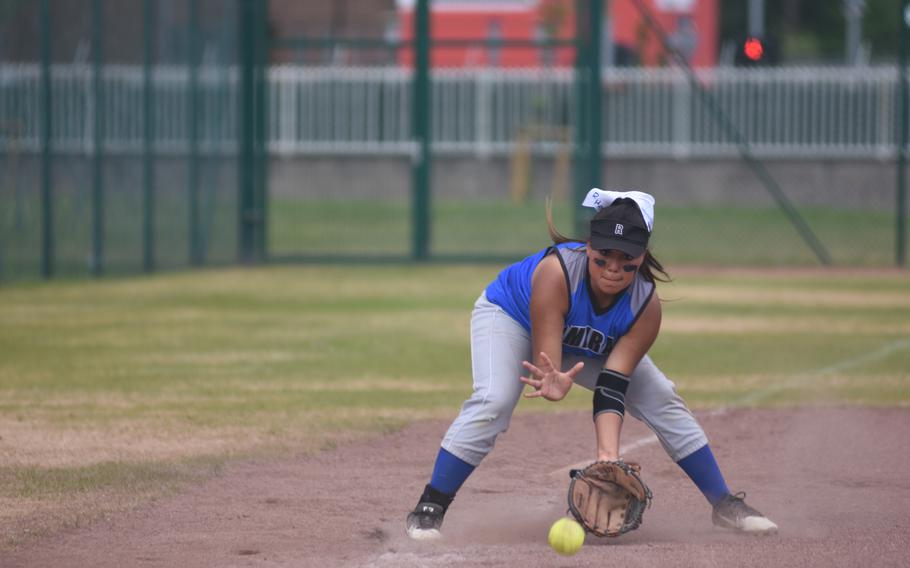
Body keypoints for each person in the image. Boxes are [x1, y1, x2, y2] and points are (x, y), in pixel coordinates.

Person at [405, 189, 778, 540]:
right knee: (495, 400)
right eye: (603, 258)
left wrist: (607, 458)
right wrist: (551, 380)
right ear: (587, 248)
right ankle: (430, 505)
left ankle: (724, 504)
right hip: (513, 318)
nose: (613, 269)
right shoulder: (557, 272)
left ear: (642, 257)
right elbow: (548, 357)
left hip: (584, 340)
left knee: (661, 395)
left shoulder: (646, 307)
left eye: (626, 261)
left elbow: (613, 385)